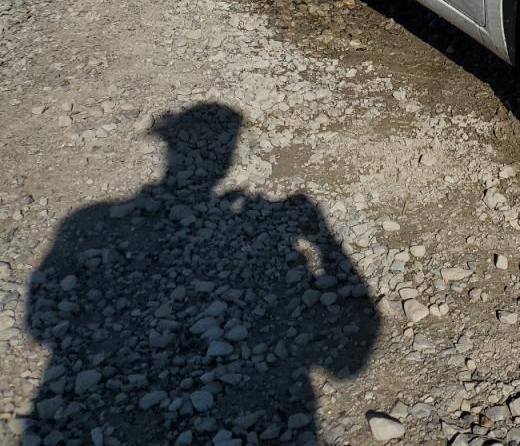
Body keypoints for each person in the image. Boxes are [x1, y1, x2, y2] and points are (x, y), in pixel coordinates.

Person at [23, 102, 379, 445]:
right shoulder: (86, 219)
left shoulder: (85, 219)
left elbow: (40, 324)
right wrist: (324, 238)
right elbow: (349, 363)